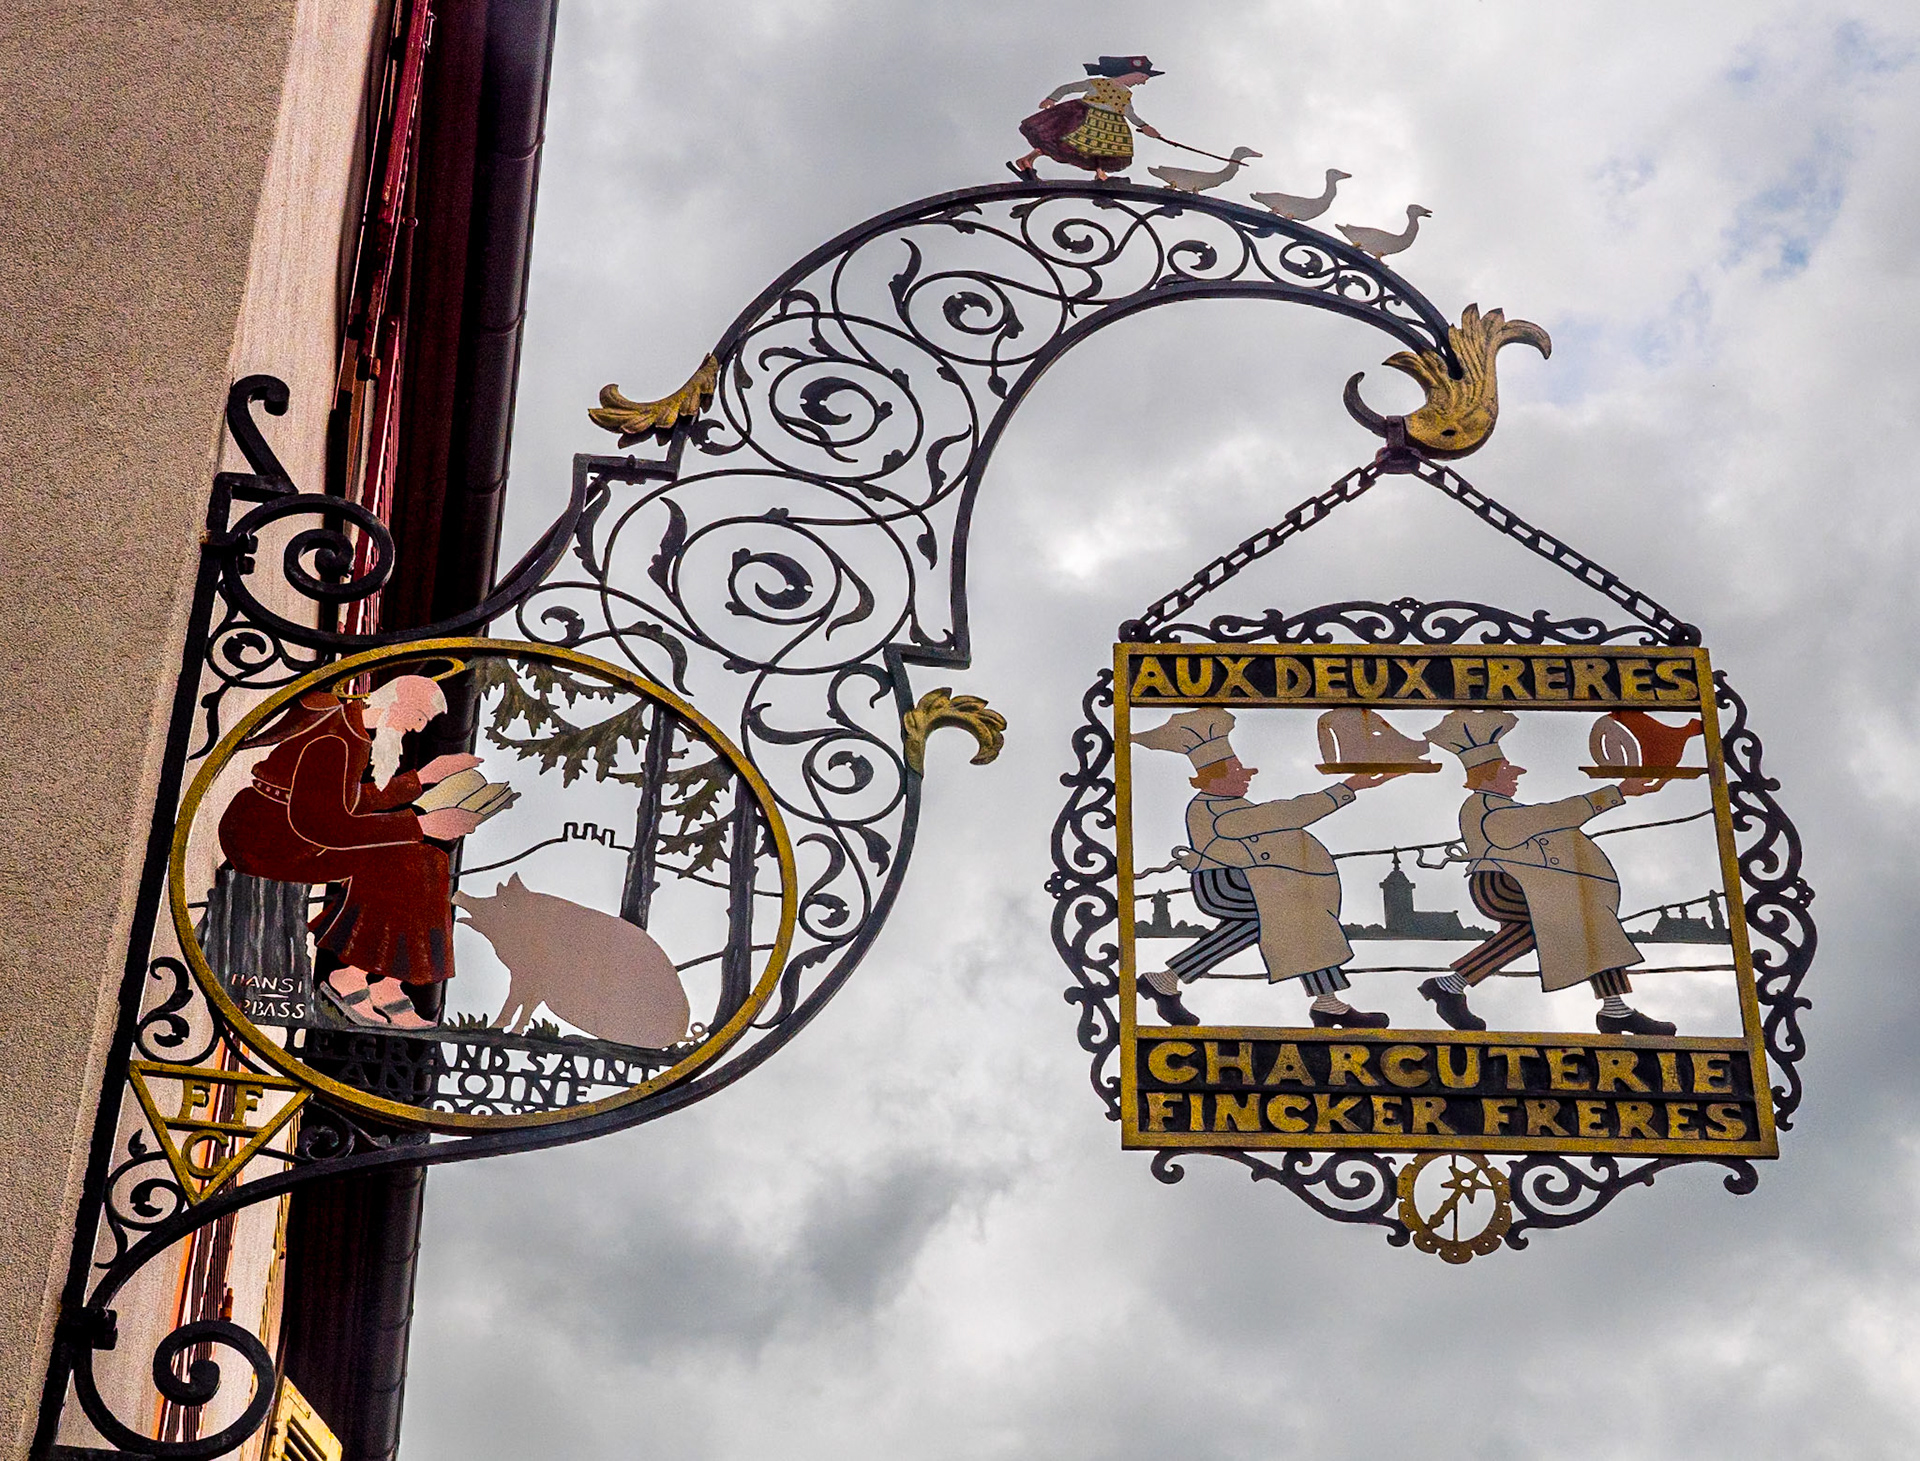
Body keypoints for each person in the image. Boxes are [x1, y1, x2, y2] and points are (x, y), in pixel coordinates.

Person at [218, 674, 483, 1030]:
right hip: (267, 839)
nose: (417, 728)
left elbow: (350, 801)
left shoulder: (351, 732)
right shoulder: (337, 739)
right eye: (419, 716)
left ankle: (387, 985)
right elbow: (326, 827)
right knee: (404, 858)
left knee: (427, 859)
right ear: (396, 701)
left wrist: (423, 779)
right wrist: (422, 825)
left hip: (283, 833)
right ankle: (352, 981)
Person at [1132, 709, 1401, 1028]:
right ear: (1214, 777)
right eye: (1236, 770)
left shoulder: (1231, 806)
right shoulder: (1213, 809)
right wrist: (1349, 786)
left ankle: (1166, 980)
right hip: (1224, 884)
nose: (1247, 774)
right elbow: (1287, 814)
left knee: (1294, 916)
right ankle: (1327, 1004)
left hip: (1248, 881)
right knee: (1283, 916)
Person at [1419, 710, 1677, 1036]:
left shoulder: (1500, 806)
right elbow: (1549, 817)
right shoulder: (1483, 808)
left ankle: (1615, 1010)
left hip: (1519, 884)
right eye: (1506, 771)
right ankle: (1449, 985)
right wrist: (1617, 792)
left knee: (1581, 921)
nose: (1516, 775)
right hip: (1500, 885)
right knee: (1568, 920)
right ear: (1486, 776)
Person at [1010, 55, 1164, 182]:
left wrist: (1145, 127)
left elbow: (1129, 113)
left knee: (1103, 150)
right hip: (1083, 116)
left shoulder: (1126, 94)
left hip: (1110, 124)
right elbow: (1068, 88)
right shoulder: (1098, 83)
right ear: (1133, 74)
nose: (1142, 82)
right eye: (1142, 77)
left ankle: (1100, 173)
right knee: (1060, 141)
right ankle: (1027, 160)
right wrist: (1052, 99)